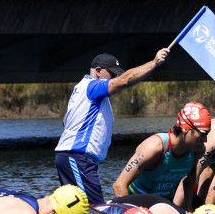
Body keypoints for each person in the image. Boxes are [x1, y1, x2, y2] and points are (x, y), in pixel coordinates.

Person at [55, 48, 170, 203]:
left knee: (78, 210)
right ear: (98, 71)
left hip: (75, 158)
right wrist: (154, 63)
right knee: (95, 209)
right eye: (112, 73)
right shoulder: (93, 86)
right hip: (77, 157)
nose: (114, 77)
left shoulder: (82, 90)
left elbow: (65, 121)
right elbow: (125, 80)